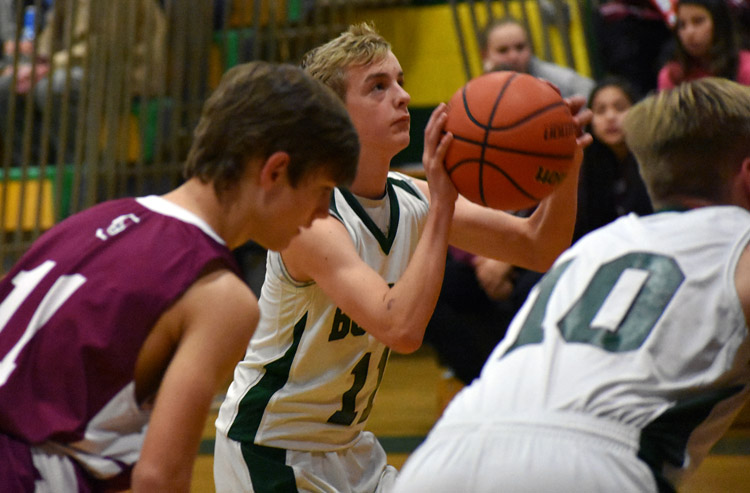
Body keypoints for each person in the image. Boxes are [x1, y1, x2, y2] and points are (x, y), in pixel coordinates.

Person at [214, 22, 592, 493]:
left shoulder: (412, 197)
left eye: (400, 81)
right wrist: (443, 206)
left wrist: (564, 169)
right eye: (378, 87)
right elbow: (401, 329)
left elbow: (538, 247)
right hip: (270, 450)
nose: (403, 97)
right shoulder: (310, 219)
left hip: (349, 447)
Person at [0, 61, 360, 492]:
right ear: (275, 172)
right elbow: (160, 478)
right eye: (323, 190)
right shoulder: (220, 295)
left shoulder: (91, 222)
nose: (322, 212)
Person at [394, 77, 750, 492]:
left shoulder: (595, 247)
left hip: (446, 450)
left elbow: (537, 245)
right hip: (591, 464)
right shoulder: (739, 246)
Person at [574, 75, 653, 240]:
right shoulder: (586, 170)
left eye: (620, 108)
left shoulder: (655, 162)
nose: (610, 117)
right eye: (600, 110)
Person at [479, 16, 596, 101]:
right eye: (503, 50)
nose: (514, 56)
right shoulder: (478, 90)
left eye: (520, 47)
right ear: (485, 55)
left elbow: (592, 93)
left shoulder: (558, 80)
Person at [658, 0, 750, 90]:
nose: (689, 32)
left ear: (719, 23)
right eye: (682, 25)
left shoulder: (745, 67)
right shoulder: (672, 74)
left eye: (698, 21)